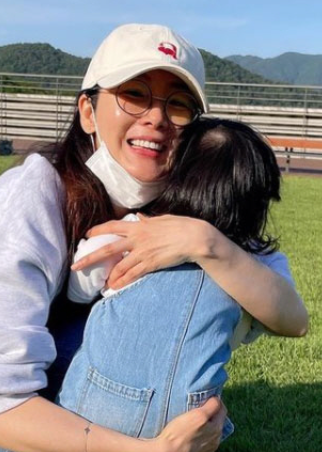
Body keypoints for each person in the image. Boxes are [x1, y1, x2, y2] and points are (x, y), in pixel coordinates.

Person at [0, 24, 308, 452]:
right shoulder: (31, 198)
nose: (156, 118)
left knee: (201, 276)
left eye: (178, 105)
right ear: (88, 111)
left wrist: (207, 243)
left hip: (32, 378)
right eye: (134, 95)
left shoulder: (182, 213)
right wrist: (147, 450)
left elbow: (293, 320)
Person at [60, 117, 289, 442]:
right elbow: (267, 324)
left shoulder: (137, 229)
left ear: (176, 178)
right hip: (190, 416)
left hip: (97, 402)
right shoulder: (260, 262)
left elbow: (80, 287)